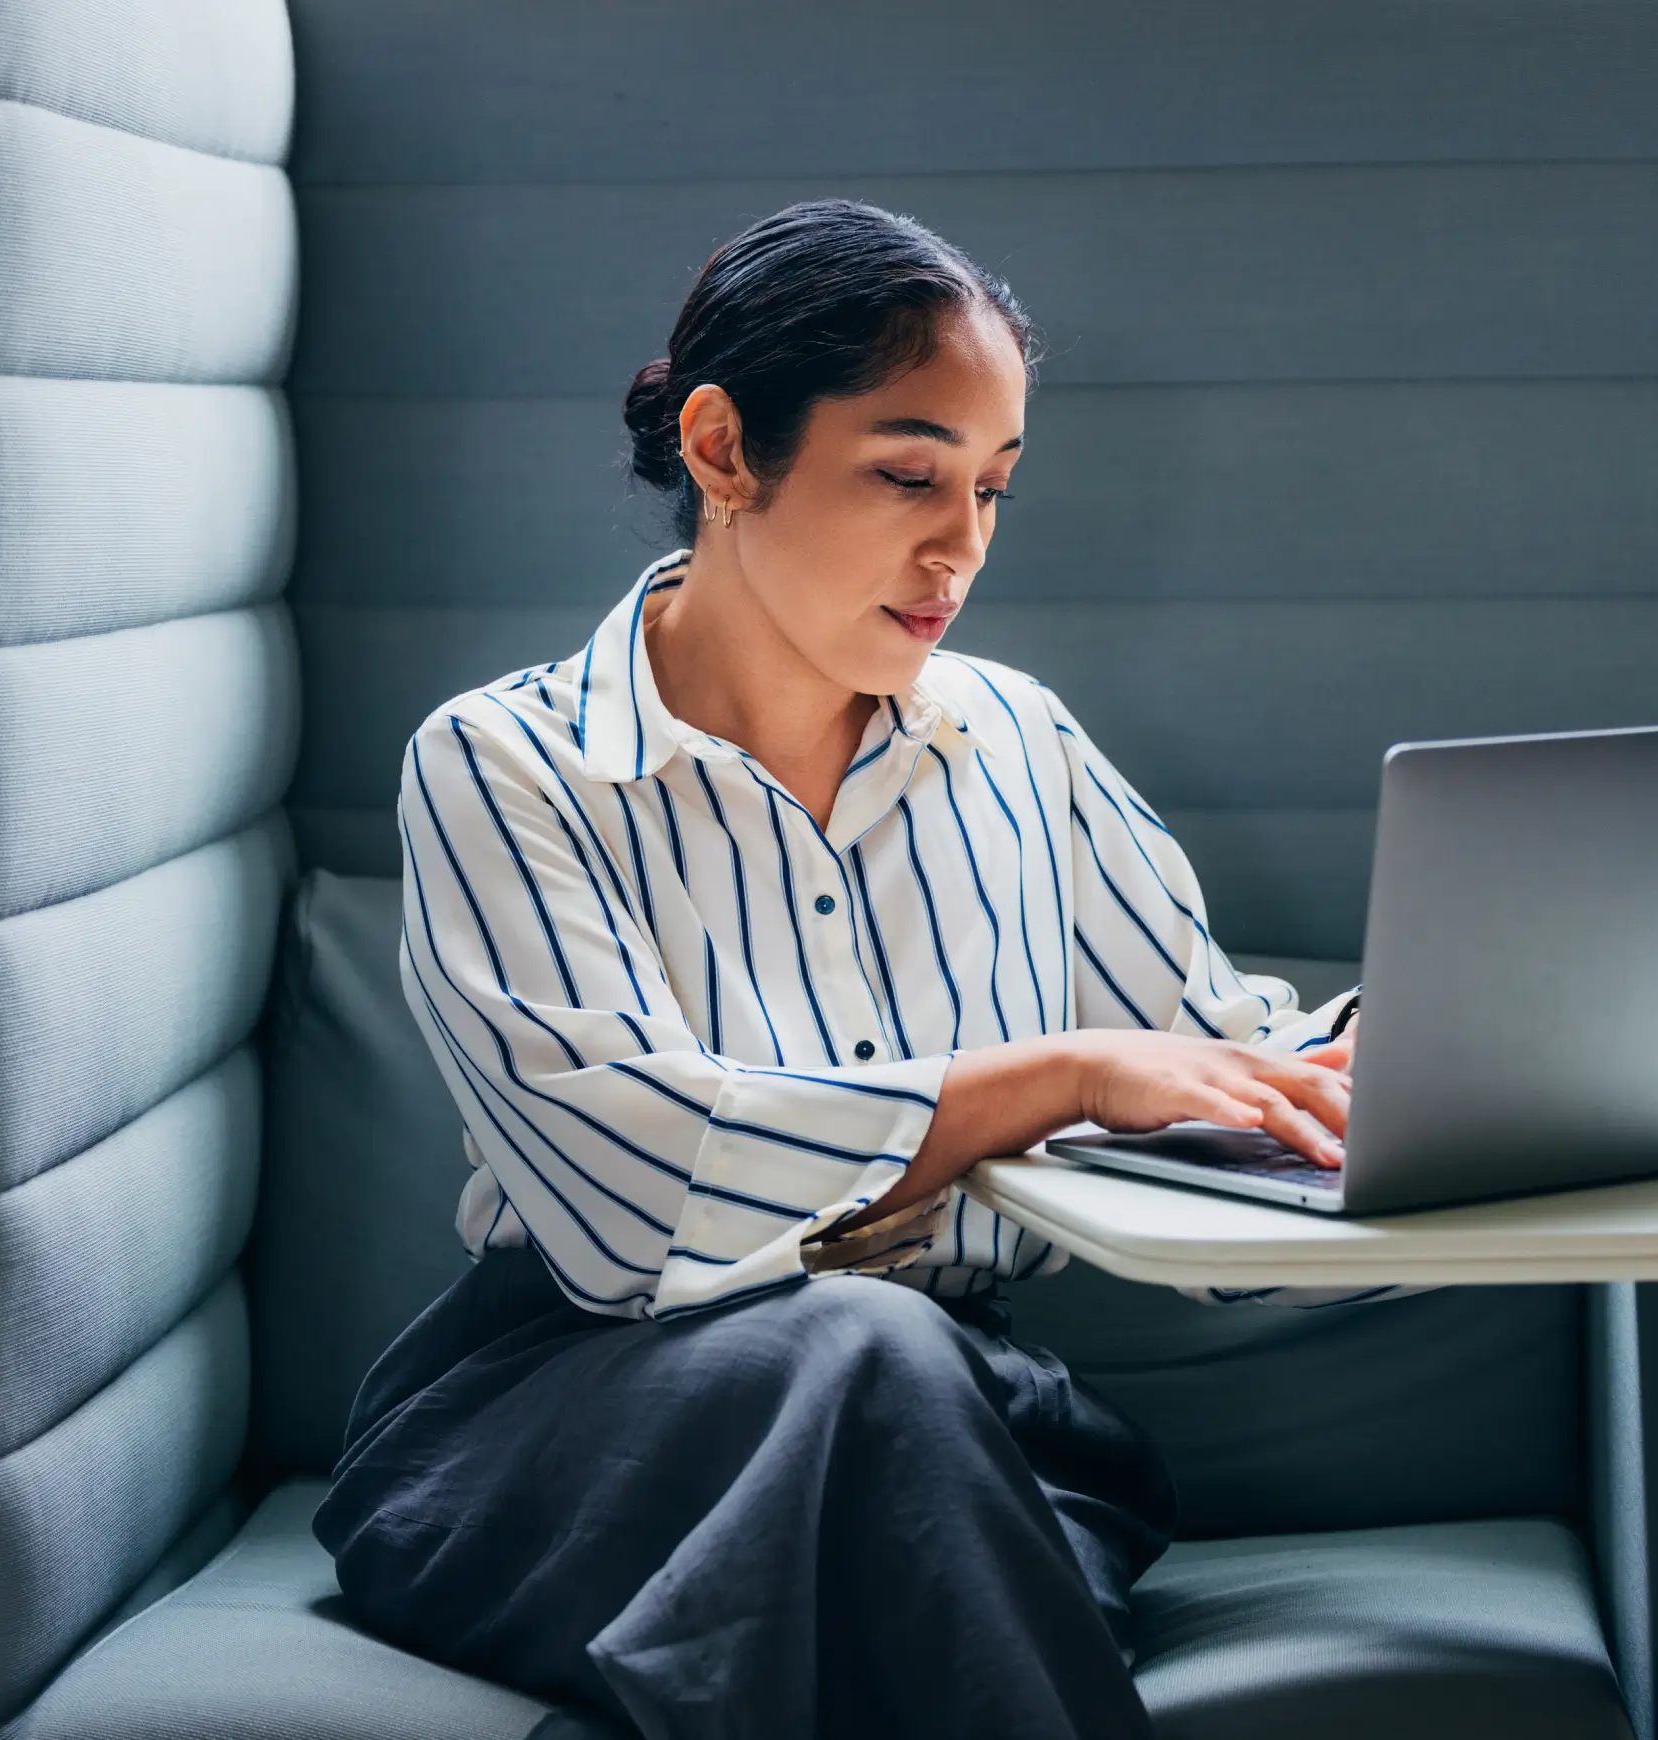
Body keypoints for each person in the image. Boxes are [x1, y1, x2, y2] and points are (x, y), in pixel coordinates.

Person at [312, 197, 1388, 1740]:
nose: (962, 547)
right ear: (723, 448)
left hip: (965, 1421)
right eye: (909, 475)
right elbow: (635, 1210)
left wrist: (1424, 1060)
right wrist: (1061, 1077)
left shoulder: (1023, 744)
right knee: (869, 1381)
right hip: (573, 1424)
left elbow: (1217, 1073)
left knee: (890, 1422)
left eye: (995, 490)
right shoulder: (506, 766)